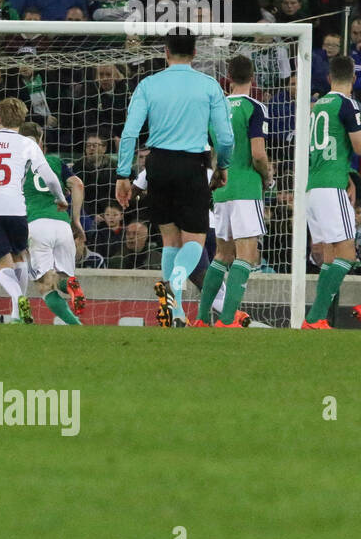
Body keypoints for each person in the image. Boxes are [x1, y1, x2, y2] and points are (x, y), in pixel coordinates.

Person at [115, 30, 235, 328]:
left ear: (165, 52)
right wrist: (224, 166)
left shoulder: (148, 84)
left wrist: (123, 175)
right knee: (194, 240)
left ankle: (176, 310)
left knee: (169, 239)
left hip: (158, 164)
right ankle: (172, 290)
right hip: (192, 164)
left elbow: (130, 132)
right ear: (195, 53)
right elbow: (225, 137)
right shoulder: (208, 85)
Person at [0, 97, 67, 323]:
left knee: (1, 262)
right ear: (23, 118)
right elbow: (50, 178)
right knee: (19, 256)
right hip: (16, 208)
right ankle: (18, 312)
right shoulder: (26, 144)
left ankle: (18, 299)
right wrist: (60, 199)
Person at [190, 56, 269, 328]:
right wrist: (268, 177)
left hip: (222, 188)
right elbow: (258, 154)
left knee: (222, 255)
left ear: (229, 77)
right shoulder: (254, 107)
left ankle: (201, 319)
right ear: (253, 76)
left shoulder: (217, 108)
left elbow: (213, 151)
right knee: (246, 255)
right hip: (247, 186)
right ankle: (227, 320)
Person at [302, 56, 361, 328]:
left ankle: (317, 320)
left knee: (329, 257)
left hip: (312, 187)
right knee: (347, 254)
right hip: (331, 186)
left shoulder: (316, 106)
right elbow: (360, 148)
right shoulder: (347, 104)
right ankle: (315, 317)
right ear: (353, 78)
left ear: (329, 78)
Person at [18, 121, 86, 325]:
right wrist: (76, 220)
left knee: (45, 285)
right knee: (64, 275)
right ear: (41, 141)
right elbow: (78, 184)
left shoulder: (17, 165)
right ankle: (72, 291)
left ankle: (75, 325)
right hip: (62, 225)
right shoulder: (55, 162)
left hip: (36, 225)